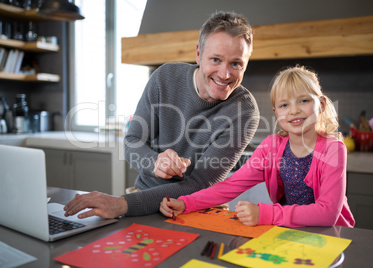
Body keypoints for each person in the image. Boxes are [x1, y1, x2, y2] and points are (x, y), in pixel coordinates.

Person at [63, 11, 259, 219]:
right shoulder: (165, 78)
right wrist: (154, 163)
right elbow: (133, 140)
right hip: (143, 198)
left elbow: (201, 184)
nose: (224, 74)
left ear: (245, 63)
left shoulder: (245, 111)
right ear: (199, 54)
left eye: (236, 64)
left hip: (200, 207)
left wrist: (122, 204)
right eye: (216, 60)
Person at [160, 65, 355, 228]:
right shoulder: (271, 147)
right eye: (284, 105)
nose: (294, 110)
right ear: (276, 112)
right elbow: (230, 186)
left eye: (303, 101)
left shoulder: (333, 149)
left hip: (332, 236)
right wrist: (186, 203)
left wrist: (265, 214)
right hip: (291, 232)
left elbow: (327, 214)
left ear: (320, 105)